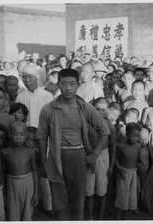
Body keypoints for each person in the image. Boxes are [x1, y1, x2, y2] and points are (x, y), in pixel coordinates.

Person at [36, 68, 110, 220]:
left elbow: (105, 131)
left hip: (79, 158)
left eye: (72, 84)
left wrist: (94, 154)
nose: (68, 88)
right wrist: (43, 161)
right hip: (56, 158)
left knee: (77, 204)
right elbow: (42, 137)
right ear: (58, 85)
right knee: (59, 205)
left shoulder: (85, 108)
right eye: (64, 84)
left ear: (78, 85)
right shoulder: (48, 109)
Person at [86, 97, 117, 220]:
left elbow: (113, 147)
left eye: (103, 110)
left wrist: (111, 166)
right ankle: (89, 217)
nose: (99, 112)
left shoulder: (110, 126)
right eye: (97, 109)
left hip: (103, 157)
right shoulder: (87, 125)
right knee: (89, 189)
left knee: (102, 188)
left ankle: (99, 217)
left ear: (108, 110)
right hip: (89, 155)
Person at [1, 121, 39, 221]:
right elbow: (3, 174)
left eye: (22, 134)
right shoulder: (5, 153)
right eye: (15, 134)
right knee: (13, 213)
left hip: (28, 184)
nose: (19, 137)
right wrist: (4, 194)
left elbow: (35, 171)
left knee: (27, 212)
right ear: (9, 135)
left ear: (26, 135)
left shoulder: (31, 152)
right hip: (12, 184)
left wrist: (36, 193)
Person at [115, 122, 141, 220]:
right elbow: (115, 158)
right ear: (126, 135)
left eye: (137, 136)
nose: (135, 138)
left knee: (130, 196)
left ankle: (125, 216)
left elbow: (137, 157)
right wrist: (118, 168)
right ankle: (118, 217)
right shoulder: (121, 146)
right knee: (122, 195)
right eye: (133, 136)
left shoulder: (138, 146)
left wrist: (141, 161)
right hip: (124, 173)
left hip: (133, 172)